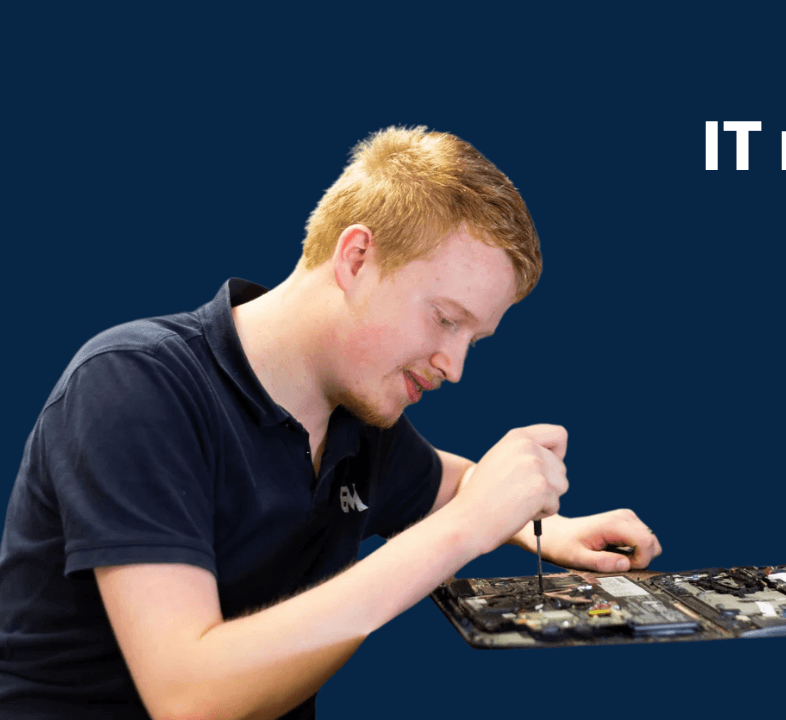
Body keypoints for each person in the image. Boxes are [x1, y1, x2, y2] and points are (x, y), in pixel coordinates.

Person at [0, 126, 662, 719]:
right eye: (445, 319)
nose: (455, 366)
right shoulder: (133, 386)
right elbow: (191, 698)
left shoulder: (359, 417)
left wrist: (545, 527)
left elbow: (448, 482)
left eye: (474, 340)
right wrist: (467, 528)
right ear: (356, 258)